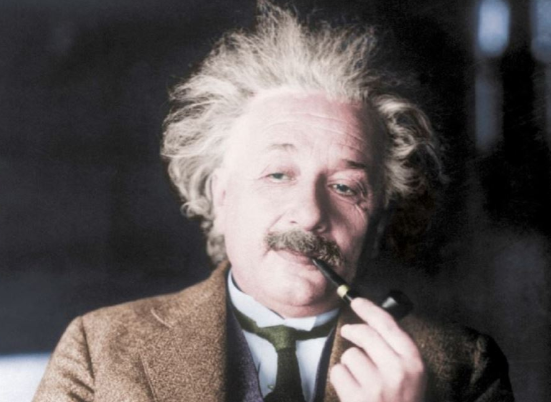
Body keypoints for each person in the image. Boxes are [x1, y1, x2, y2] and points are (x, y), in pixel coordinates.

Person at [33, 2, 514, 401]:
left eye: (345, 187)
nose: (310, 214)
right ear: (221, 195)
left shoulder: (464, 367)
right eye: (278, 174)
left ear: (379, 217)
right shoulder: (100, 350)